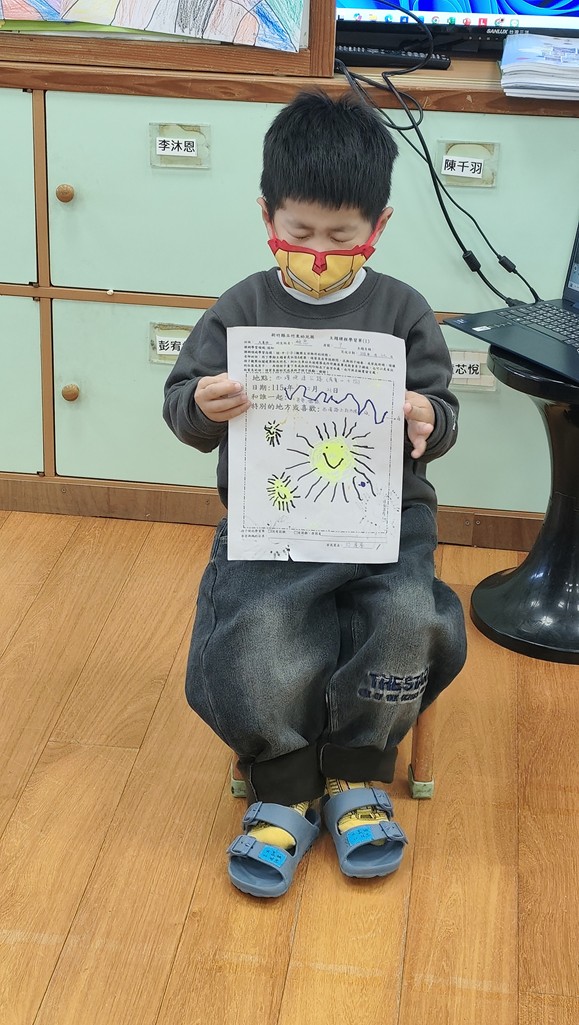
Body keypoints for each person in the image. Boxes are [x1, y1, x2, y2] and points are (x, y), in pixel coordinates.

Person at [163, 90, 467, 899]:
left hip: (384, 517)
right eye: (299, 233)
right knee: (256, 627)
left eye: (341, 237)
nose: (320, 254)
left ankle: (357, 770)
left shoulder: (402, 311)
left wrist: (424, 417)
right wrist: (203, 404)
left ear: (379, 226)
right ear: (266, 214)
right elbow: (182, 410)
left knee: (405, 617)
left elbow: (442, 419)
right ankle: (285, 778)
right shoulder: (240, 308)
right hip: (273, 517)